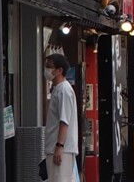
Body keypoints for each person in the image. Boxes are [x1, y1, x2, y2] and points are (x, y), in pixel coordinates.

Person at [44, 53, 79, 182]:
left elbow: (64, 121)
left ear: (59, 70)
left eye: (49, 66)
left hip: (60, 150)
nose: (46, 69)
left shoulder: (64, 90)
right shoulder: (58, 89)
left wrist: (59, 146)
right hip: (58, 149)